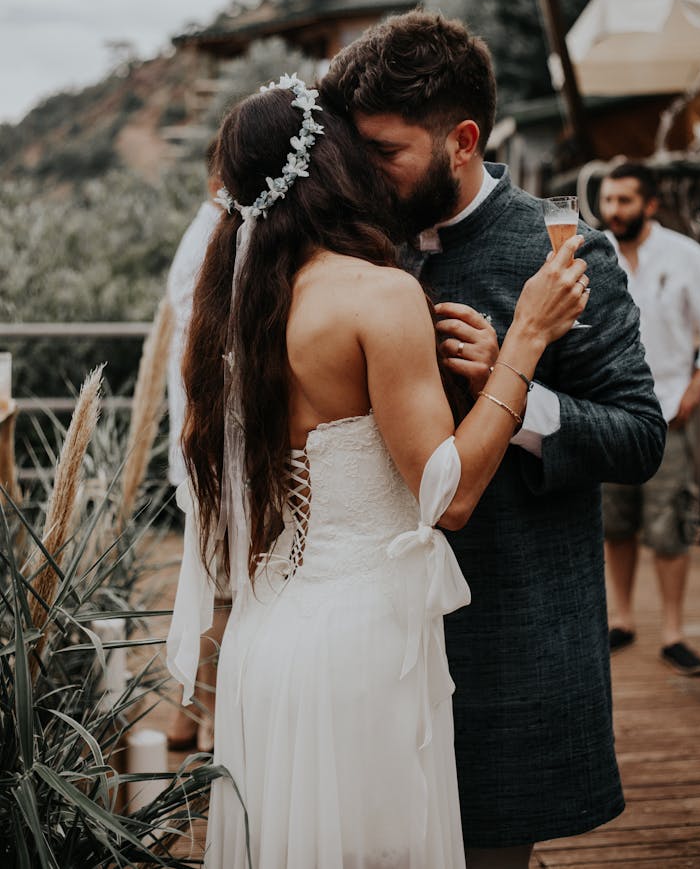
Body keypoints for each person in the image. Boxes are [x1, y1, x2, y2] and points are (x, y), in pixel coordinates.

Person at [166, 73, 590, 869]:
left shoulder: (237, 306)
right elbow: (450, 494)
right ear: (333, 165)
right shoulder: (377, 296)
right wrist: (527, 338)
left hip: (267, 639)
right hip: (361, 644)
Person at [320, 12, 666, 869]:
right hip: (373, 626)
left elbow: (639, 435)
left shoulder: (558, 249)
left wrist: (520, 396)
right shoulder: (359, 247)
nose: (365, 174)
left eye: (386, 152)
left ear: (462, 140)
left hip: (510, 624)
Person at [599, 162, 700, 677]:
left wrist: (699, 388)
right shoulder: (594, 250)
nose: (614, 210)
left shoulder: (685, 255)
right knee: (615, 521)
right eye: (609, 200)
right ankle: (623, 619)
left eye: (625, 201)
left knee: (670, 523)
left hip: (670, 413)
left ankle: (675, 632)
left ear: (650, 204)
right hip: (609, 410)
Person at [165, 140, 227, 753]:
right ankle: (206, 723)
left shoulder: (202, 232)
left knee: (211, 582)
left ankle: (191, 717)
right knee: (219, 589)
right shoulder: (217, 236)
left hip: (197, 433)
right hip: (209, 436)